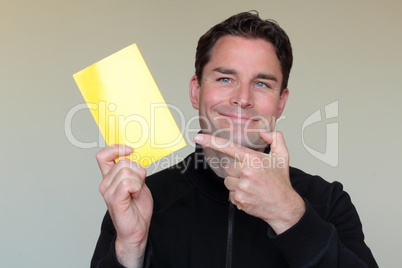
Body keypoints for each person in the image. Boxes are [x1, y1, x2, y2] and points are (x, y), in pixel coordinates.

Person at [91, 11, 378, 268]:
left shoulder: (328, 202)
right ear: (196, 91)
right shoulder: (141, 200)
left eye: (262, 84)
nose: (242, 99)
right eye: (225, 79)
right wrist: (130, 247)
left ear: (280, 103)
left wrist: (288, 214)